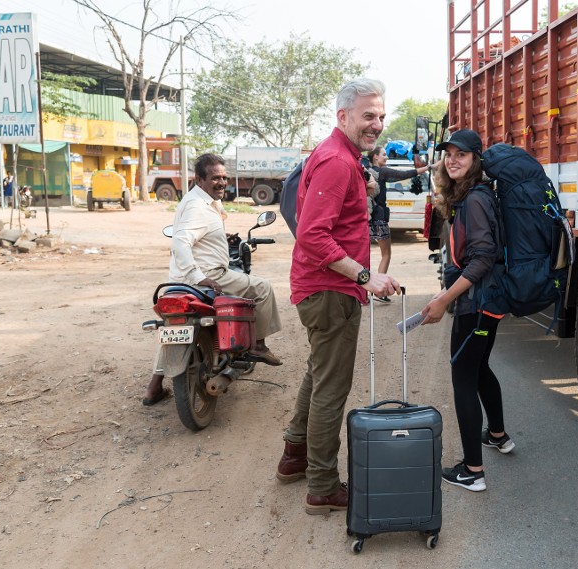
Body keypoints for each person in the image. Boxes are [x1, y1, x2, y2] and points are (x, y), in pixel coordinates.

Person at [275, 78, 401, 515]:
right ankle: (323, 486)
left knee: (318, 373)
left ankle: (294, 456)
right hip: (329, 289)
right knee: (331, 388)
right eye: (369, 115)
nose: (377, 124)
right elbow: (312, 236)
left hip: (325, 287)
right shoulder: (336, 161)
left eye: (381, 116)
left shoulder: (344, 158)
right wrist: (367, 276)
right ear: (343, 116)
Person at [142, 153, 283, 406]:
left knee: (174, 331)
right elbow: (181, 241)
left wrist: (220, 236)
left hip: (178, 282)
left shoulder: (197, 200)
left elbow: (194, 233)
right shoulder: (198, 206)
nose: (222, 182)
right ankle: (258, 345)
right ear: (200, 179)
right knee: (262, 288)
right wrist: (200, 276)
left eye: (224, 177)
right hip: (207, 275)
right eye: (215, 178)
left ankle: (154, 386)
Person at [420, 129, 515, 492]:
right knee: (478, 369)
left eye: (462, 154)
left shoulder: (474, 200)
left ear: (476, 159)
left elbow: (481, 259)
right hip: (488, 303)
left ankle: (472, 471)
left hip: (475, 305)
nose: (453, 159)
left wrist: (444, 299)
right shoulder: (478, 196)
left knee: (462, 378)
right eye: (449, 154)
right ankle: (498, 435)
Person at [365, 146, 436, 302]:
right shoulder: (382, 172)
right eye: (383, 155)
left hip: (365, 219)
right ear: (375, 157)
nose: (386, 157)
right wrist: (429, 167)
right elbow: (406, 174)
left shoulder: (365, 171)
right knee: (386, 254)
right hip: (379, 219)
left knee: (364, 256)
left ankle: (362, 292)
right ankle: (380, 292)